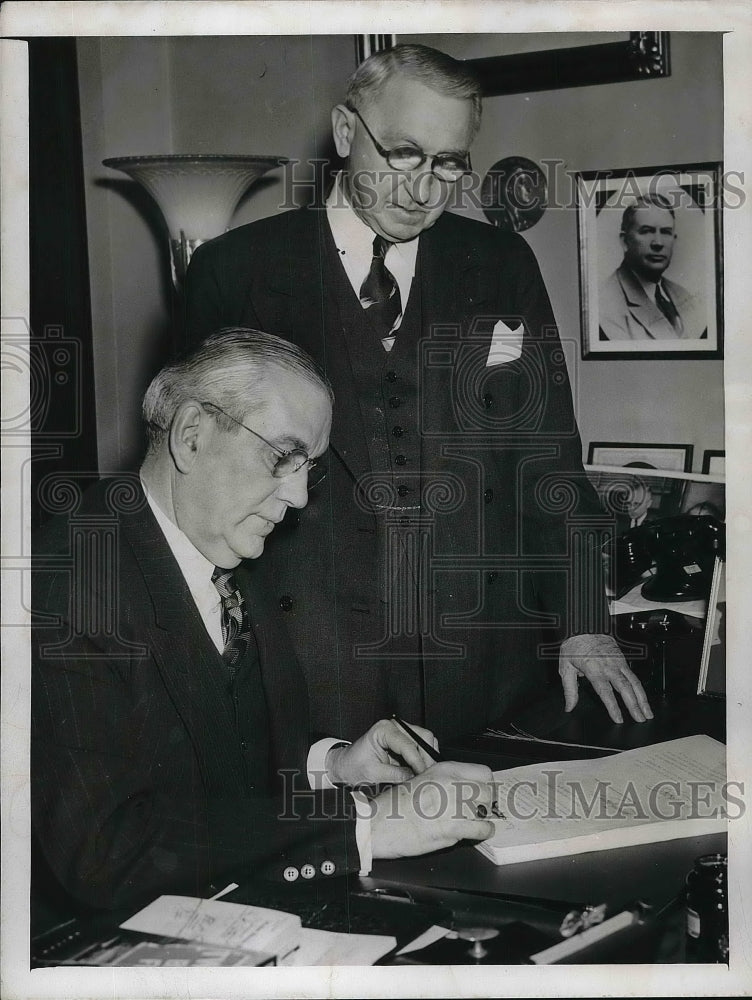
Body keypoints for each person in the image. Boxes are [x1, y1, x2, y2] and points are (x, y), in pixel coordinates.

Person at [184, 43, 653, 741]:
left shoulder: (500, 264)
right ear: (347, 132)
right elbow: (199, 485)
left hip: (484, 662)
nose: (423, 189)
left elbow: (549, 460)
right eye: (402, 153)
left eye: (448, 163)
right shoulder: (236, 271)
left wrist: (585, 622)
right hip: (310, 660)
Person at [31, 329, 495, 916]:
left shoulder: (221, 546)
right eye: (282, 457)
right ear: (192, 436)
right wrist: (366, 827)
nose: (299, 496)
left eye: (308, 468)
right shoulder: (59, 588)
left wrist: (332, 766)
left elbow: (210, 769)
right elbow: (107, 850)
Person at [599, 193, 706, 341]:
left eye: (665, 232)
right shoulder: (605, 305)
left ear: (673, 240)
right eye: (647, 231)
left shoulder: (684, 296)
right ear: (625, 241)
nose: (658, 243)